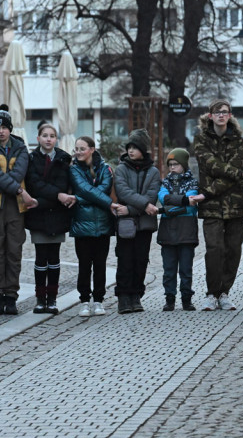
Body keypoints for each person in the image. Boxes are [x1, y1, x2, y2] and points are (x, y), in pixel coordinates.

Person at [193, 100, 243, 311]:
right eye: (217, 112)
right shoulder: (200, 139)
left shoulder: (238, 140)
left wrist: (209, 190)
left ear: (230, 115)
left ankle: (224, 292)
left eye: (224, 112)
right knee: (214, 249)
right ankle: (211, 292)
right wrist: (239, 174)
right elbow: (208, 164)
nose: (221, 115)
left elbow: (231, 170)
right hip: (211, 206)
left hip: (235, 204)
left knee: (233, 250)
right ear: (210, 116)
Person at [0, 106, 33, 315]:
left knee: (14, 251)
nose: (0, 131)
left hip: (15, 208)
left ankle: (11, 296)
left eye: (4, 127)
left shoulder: (21, 148)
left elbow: (18, 172)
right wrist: (17, 189)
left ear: (10, 129)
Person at [24, 122, 74, 314]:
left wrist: (46, 199)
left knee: (54, 259)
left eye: (52, 135)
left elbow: (62, 186)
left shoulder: (63, 159)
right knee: (40, 259)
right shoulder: (31, 159)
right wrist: (57, 196)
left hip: (57, 215)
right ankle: (40, 299)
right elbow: (34, 184)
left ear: (56, 139)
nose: (48, 139)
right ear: (38, 139)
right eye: (45, 135)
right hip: (38, 217)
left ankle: (52, 299)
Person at [112, 129, 161, 314]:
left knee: (141, 260)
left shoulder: (154, 171)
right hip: (126, 224)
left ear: (143, 149)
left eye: (135, 147)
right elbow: (123, 192)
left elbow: (152, 195)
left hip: (144, 224)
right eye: (129, 147)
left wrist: (131, 209)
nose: (131, 151)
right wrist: (142, 206)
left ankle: (136, 296)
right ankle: (123, 297)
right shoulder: (121, 169)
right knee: (125, 259)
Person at [69, 136, 113, 317]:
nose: (78, 152)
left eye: (82, 148)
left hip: (103, 224)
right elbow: (84, 189)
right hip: (82, 224)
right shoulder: (73, 170)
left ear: (92, 149)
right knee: (84, 264)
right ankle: (85, 300)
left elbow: (103, 189)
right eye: (76, 149)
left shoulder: (105, 168)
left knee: (101, 264)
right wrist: (106, 203)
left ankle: (99, 300)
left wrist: (78, 199)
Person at [157, 148, 200, 312]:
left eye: (176, 164)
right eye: (170, 165)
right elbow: (163, 198)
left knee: (186, 269)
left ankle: (186, 299)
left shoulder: (193, 182)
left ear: (183, 165)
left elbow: (191, 205)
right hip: (168, 230)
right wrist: (182, 202)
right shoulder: (165, 182)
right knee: (168, 269)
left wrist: (170, 208)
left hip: (187, 229)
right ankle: (169, 299)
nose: (172, 167)